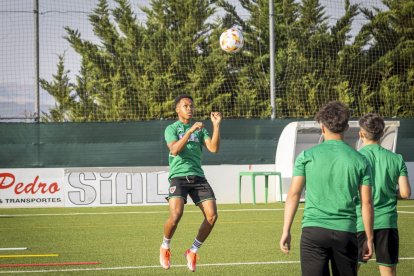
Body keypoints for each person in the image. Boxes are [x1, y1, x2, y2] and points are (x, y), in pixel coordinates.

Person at [279, 101, 374, 276]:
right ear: (346, 127)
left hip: (313, 232)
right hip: (345, 232)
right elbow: (366, 203)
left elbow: (293, 194)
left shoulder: (307, 156)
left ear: (322, 127)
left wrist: (286, 230)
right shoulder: (360, 160)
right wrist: (368, 237)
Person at [159, 94, 222, 272]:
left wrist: (216, 126)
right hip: (178, 177)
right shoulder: (171, 128)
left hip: (198, 177)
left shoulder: (201, 129)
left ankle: (192, 250)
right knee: (176, 214)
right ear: (177, 109)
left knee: (212, 216)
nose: (190, 108)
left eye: (191, 106)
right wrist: (189, 131)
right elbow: (174, 149)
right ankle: (165, 246)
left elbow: (214, 148)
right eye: (185, 106)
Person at [357, 113, 411, 276]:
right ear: (381, 133)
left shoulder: (355, 158)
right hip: (386, 222)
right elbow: (405, 193)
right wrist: (387, 191)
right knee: (388, 272)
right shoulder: (396, 159)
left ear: (361, 134)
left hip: (359, 222)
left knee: (349, 270)